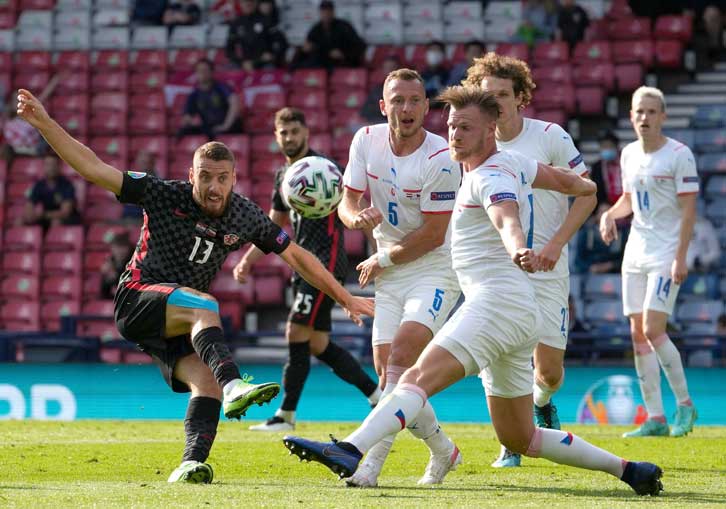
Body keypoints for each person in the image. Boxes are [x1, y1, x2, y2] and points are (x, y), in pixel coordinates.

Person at [282, 86, 664, 498]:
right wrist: (586, 189)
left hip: (495, 304)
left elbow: (506, 218)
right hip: (518, 314)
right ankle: (630, 470)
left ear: (490, 131)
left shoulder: (490, 175)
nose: (454, 135)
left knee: (414, 377)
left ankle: (352, 449)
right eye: (450, 126)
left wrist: (519, 247)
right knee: (522, 438)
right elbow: (564, 181)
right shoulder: (513, 162)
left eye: (465, 127)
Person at [16, 88, 374, 484]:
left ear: (234, 178)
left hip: (180, 320)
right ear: (191, 176)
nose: (213, 187)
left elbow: (298, 256)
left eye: (222, 178)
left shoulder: (244, 215)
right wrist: (45, 124)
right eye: (205, 177)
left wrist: (346, 298)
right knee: (205, 305)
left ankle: (190, 463)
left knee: (205, 383)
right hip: (138, 297)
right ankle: (236, 381)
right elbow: (94, 168)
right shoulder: (163, 194)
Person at [463, 52, 597, 467]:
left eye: (504, 94)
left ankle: (540, 404)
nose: (496, 103)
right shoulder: (473, 143)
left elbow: (586, 192)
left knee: (550, 372)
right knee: (501, 354)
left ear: (521, 97)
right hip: (498, 270)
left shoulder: (550, 136)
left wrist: (555, 244)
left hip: (547, 268)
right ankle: (511, 439)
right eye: (488, 95)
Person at [335, 68, 463, 487]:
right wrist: (357, 218)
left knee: (403, 356)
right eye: (397, 100)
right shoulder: (365, 140)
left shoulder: (440, 156)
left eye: (414, 100)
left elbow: (432, 233)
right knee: (390, 370)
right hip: (389, 267)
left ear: (427, 107)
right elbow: (347, 201)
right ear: (383, 106)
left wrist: (383, 259)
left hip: (435, 267)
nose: (406, 109)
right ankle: (444, 451)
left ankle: (368, 468)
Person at [239, 107, 381, 431]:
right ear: (276, 137)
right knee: (316, 343)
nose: (289, 138)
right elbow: (274, 225)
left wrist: (376, 252)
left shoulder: (326, 169)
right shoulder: (282, 177)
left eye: (294, 131)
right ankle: (376, 394)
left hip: (326, 262)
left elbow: (354, 205)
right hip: (300, 264)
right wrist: (248, 260)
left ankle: (285, 416)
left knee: (295, 331)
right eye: (283, 133)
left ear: (306, 132)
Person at [599, 86, 699, 438]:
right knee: (637, 334)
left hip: (666, 253)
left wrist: (680, 257)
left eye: (652, 112)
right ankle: (655, 417)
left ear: (663, 117)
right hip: (636, 253)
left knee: (654, 329)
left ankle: (685, 405)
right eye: (639, 111)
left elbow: (689, 211)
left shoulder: (679, 155)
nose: (645, 117)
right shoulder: (628, 155)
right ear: (631, 116)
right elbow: (628, 199)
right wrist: (610, 214)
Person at [177, 59, 242, 141]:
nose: (202, 73)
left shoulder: (221, 88)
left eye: (205, 70)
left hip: (227, 126)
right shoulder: (194, 94)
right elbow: (187, 115)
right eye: (199, 70)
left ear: (212, 72)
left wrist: (226, 125)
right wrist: (189, 121)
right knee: (183, 132)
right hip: (209, 127)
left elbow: (234, 103)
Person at [292, 1, 366, 69]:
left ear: (333, 12)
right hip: (321, 64)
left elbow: (360, 46)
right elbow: (307, 47)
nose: (326, 15)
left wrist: (343, 54)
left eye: (328, 12)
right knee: (300, 66)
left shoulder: (344, 27)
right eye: (323, 12)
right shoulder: (316, 29)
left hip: (341, 64)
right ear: (320, 13)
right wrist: (304, 50)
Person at [22, 154, 82, 230]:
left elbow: (65, 212)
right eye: (48, 164)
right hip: (46, 217)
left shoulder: (67, 185)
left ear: (59, 167)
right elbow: (29, 204)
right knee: (20, 221)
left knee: (56, 222)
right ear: (43, 167)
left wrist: (42, 215)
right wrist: (30, 214)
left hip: (68, 219)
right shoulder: (39, 185)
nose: (51, 168)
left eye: (53, 164)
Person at [225, 0, 287, 70]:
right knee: (229, 69)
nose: (248, 3)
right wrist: (241, 62)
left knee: (269, 69)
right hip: (244, 63)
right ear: (240, 3)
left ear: (256, 2)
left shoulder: (267, 20)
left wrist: (273, 55)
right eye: (244, 1)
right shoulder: (236, 23)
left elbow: (282, 43)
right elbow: (229, 50)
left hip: (263, 63)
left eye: (251, 1)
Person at [590, 130, 623, 218]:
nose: (607, 149)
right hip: (606, 206)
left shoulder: (626, 163)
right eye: (604, 147)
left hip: (626, 203)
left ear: (616, 147)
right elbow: (595, 192)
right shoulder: (597, 167)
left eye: (610, 146)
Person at [122, 150, 157, 223]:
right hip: (127, 217)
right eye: (142, 162)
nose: (144, 165)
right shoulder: (134, 177)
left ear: (152, 163)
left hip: (144, 219)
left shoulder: (156, 181)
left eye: (146, 162)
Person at [100, 231, 135, 299]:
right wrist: (107, 279)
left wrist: (116, 276)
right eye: (116, 247)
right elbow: (104, 293)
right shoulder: (111, 260)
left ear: (128, 247)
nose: (119, 251)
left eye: (122, 247)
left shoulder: (135, 260)